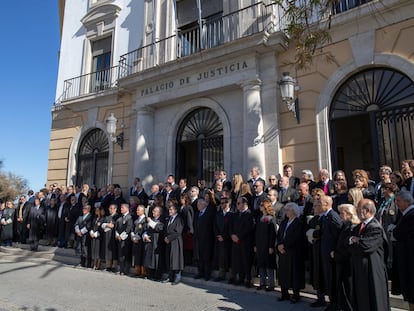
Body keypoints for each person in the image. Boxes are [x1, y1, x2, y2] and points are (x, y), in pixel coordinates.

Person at [348, 199, 390, 310]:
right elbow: (348, 243)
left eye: (358, 209)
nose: (356, 211)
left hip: (372, 270)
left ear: (367, 210)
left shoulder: (375, 227)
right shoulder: (358, 227)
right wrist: (354, 240)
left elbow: (365, 247)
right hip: (361, 269)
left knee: (374, 300)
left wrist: (356, 241)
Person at [314, 195, 343, 310]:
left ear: (326, 204)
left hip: (331, 254)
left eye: (319, 203)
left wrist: (335, 251)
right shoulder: (325, 217)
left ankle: (334, 303)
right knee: (327, 278)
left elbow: (339, 235)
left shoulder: (332, 216)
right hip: (324, 252)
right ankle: (331, 301)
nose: (317, 206)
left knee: (332, 279)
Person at [277, 202, 304, 303]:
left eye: (287, 210)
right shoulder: (284, 222)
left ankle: (296, 295)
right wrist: (279, 245)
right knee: (283, 272)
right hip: (283, 251)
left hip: (293, 251)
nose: (286, 212)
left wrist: (284, 245)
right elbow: (279, 235)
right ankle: (284, 293)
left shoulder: (298, 223)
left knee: (294, 273)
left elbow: (295, 237)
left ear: (293, 211)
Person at [334, 204, 360, 311]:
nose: (340, 215)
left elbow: (348, 247)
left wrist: (336, 254)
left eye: (342, 213)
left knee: (349, 290)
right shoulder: (345, 225)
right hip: (342, 262)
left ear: (349, 214)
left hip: (348, 264)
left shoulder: (352, 227)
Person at [392, 190, 414, 310]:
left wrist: (394, 231)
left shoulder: (411, 215)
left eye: (399, 201)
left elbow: (399, 233)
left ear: (407, 201)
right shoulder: (405, 215)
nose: (396, 204)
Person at [230, 197, 255, 287]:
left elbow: (249, 228)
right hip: (236, 242)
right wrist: (232, 235)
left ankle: (247, 279)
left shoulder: (249, 214)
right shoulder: (236, 214)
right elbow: (231, 226)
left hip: (245, 242)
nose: (237, 205)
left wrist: (239, 236)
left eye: (238, 203)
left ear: (244, 204)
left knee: (246, 261)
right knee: (238, 260)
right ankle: (240, 278)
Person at [255, 199, 277, 292]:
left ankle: (271, 284)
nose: (260, 206)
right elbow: (256, 233)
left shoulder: (271, 218)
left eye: (261, 205)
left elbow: (273, 233)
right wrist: (255, 244)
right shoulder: (260, 217)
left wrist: (271, 246)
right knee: (261, 265)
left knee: (269, 266)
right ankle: (262, 283)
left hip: (267, 245)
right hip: (260, 245)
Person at [193, 199, 216, 281]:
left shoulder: (209, 213)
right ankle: (200, 272)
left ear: (204, 204)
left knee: (206, 257)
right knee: (199, 256)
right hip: (198, 239)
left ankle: (207, 274)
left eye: (199, 204)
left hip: (207, 239)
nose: (197, 206)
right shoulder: (197, 214)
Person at [163, 200, 184, 285]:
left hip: (176, 241)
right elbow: (166, 229)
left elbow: (178, 231)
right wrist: (165, 237)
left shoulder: (179, 219)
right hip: (169, 241)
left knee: (176, 259)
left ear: (175, 210)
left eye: (171, 210)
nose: (169, 211)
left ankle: (177, 277)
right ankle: (170, 276)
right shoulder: (169, 219)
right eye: (169, 210)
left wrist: (169, 238)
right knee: (170, 258)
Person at [214, 197, 234, 282]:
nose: (221, 205)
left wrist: (225, 237)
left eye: (223, 203)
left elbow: (232, 228)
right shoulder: (218, 214)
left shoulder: (232, 214)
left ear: (228, 203)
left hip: (229, 240)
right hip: (220, 240)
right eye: (221, 203)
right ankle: (221, 275)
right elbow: (214, 226)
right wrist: (218, 235)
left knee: (230, 258)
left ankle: (231, 276)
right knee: (221, 257)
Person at [143, 206, 165, 281]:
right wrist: (145, 236)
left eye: (155, 211)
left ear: (159, 212)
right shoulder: (151, 220)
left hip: (157, 242)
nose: (153, 212)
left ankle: (158, 275)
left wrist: (151, 222)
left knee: (157, 259)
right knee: (150, 258)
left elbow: (159, 228)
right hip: (150, 242)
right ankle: (150, 273)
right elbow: (146, 230)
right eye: (153, 211)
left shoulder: (162, 220)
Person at [115, 203, 133, 275]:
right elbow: (116, 228)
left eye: (122, 208)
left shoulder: (129, 217)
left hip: (126, 239)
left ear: (127, 209)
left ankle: (126, 270)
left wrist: (121, 236)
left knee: (126, 254)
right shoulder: (120, 218)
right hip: (119, 238)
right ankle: (121, 269)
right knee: (120, 254)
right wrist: (117, 235)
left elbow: (128, 228)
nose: (121, 209)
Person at [101, 204, 120, 272]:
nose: (111, 210)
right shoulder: (107, 217)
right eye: (110, 208)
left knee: (114, 251)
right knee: (107, 251)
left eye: (112, 208)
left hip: (114, 235)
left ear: (115, 209)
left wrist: (111, 226)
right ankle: (108, 266)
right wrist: (107, 225)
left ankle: (114, 266)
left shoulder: (118, 216)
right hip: (107, 235)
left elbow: (116, 225)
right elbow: (102, 224)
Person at [131, 205, 147, 277]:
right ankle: (137, 270)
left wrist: (139, 237)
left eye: (138, 210)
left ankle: (143, 272)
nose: (137, 211)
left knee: (142, 256)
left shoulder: (145, 220)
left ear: (143, 211)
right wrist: (133, 236)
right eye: (137, 210)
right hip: (135, 240)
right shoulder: (136, 220)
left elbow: (145, 230)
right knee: (136, 255)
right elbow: (133, 229)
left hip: (142, 241)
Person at [90, 206, 105, 270]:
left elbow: (102, 228)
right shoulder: (95, 218)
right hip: (93, 235)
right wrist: (91, 232)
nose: (96, 211)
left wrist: (96, 234)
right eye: (96, 210)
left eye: (97, 210)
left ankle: (98, 264)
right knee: (94, 250)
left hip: (99, 237)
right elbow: (92, 226)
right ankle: (94, 263)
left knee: (98, 251)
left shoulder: (103, 218)